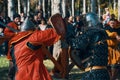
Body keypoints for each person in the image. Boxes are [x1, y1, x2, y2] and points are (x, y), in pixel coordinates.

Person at [6, 14, 65, 80]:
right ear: (32, 29)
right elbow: (54, 32)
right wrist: (63, 24)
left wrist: (10, 77)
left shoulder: (13, 43)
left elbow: (11, 64)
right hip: (33, 74)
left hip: (19, 75)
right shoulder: (34, 37)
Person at [68, 12, 110, 80]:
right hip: (104, 73)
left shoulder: (91, 33)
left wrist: (67, 36)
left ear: (88, 22)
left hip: (92, 74)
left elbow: (75, 45)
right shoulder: (103, 34)